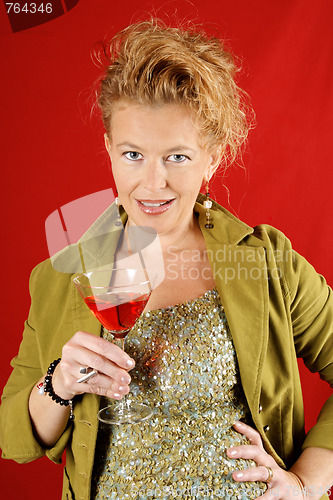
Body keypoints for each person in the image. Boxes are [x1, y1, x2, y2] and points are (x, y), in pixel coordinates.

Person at [0, 18, 333, 500]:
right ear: (109, 149)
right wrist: (58, 384)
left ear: (213, 156)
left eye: (176, 157)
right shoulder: (62, 275)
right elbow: (15, 439)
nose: (152, 184)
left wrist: (305, 483)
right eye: (133, 154)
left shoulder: (266, 263)